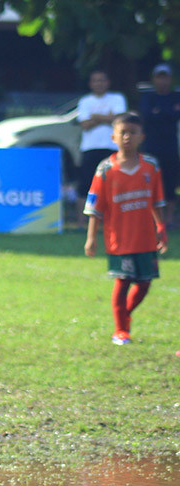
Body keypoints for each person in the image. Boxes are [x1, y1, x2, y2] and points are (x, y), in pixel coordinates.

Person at [83, 112, 168, 345]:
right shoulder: (105, 169)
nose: (128, 137)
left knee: (145, 283)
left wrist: (161, 226)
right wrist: (91, 238)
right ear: (113, 137)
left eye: (133, 132)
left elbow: (156, 201)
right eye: (123, 132)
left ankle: (125, 315)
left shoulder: (151, 166)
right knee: (122, 281)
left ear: (142, 137)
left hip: (145, 237)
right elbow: (95, 207)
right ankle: (121, 330)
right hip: (118, 238)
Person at [76, 70, 127, 226]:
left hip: (112, 148)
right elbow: (84, 125)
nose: (99, 83)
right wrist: (107, 117)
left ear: (108, 82)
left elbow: (119, 120)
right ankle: (81, 222)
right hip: (90, 148)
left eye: (102, 80)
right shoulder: (85, 101)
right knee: (86, 185)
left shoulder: (117, 98)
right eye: (95, 80)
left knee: (114, 185)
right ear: (91, 84)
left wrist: (95, 116)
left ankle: (113, 221)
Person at [139, 63, 180, 228]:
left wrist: (160, 112)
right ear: (154, 79)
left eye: (165, 77)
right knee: (150, 183)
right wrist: (167, 112)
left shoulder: (176, 96)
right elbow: (147, 116)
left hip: (170, 147)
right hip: (151, 147)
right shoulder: (148, 98)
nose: (162, 81)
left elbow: (174, 116)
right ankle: (153, 219)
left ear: (170, 79)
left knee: (170, 184)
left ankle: (169, 220)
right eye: (159, 77)